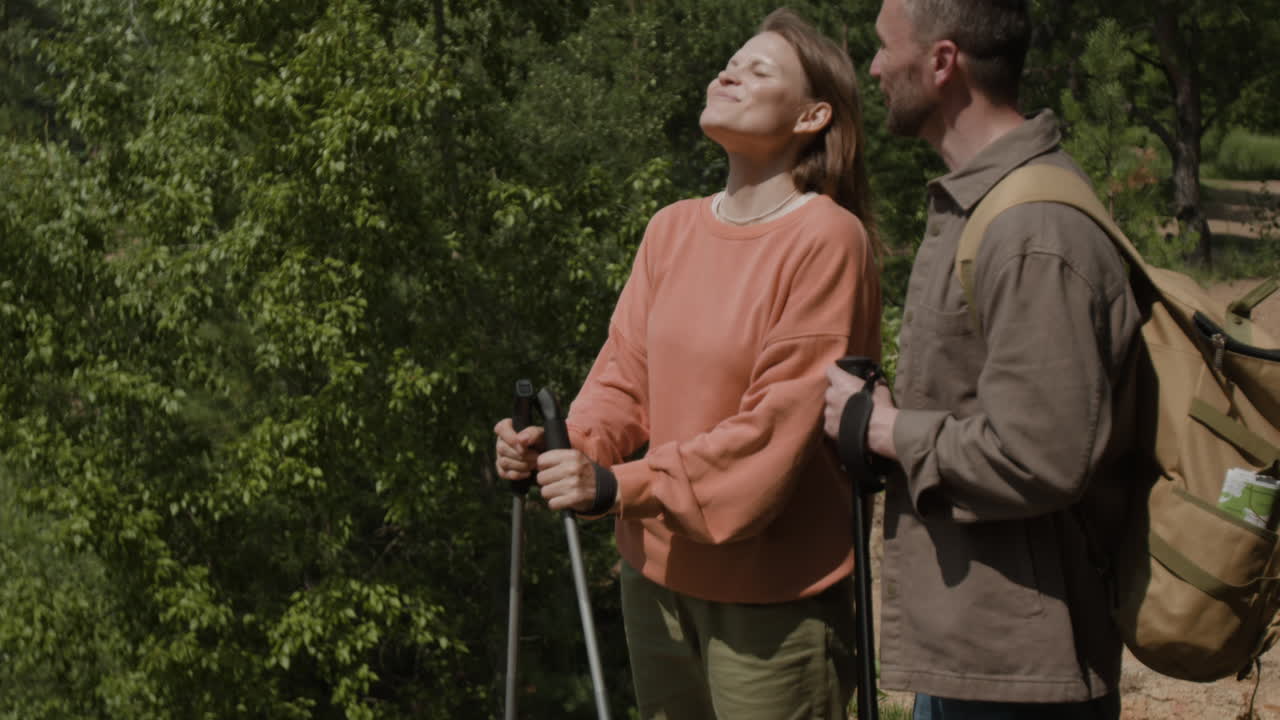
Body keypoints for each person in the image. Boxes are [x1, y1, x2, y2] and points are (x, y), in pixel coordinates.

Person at [494, 8, 882, 719]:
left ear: (812, 115)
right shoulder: (671, 228)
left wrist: (614, 485)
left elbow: (775, 430)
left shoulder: (828, 240)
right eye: (730, 62)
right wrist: (564, 447)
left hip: (774, 605)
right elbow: (622, 377)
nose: (728, 72)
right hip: (654, 583)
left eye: (759, 69)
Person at [823, 1, 1140, 719]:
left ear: (941, 63)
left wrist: (882, 429)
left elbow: (1043, 452)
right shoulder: (984, 205)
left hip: (1022, 670)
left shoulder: (1031, 229)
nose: (872, 67)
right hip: (977, 650)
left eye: (883, 48)